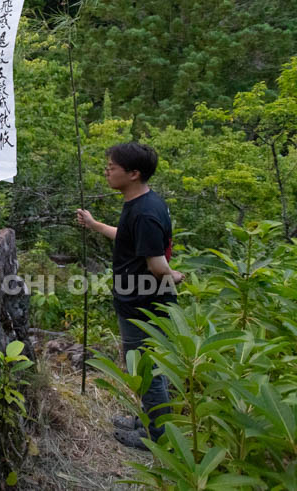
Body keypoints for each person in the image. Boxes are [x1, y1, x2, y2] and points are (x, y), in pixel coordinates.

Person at [76, 141, 184, 451]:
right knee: (147, 363)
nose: (107, 172)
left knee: (146, 366)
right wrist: (96, 225)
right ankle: (149, 420)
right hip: (139, 298)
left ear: (134, 173)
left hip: (143, 303)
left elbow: (158, 266)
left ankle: (157, 435)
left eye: (112, 168)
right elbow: (128, 238)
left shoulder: (146, 213)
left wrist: (174, 276)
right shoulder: (141, 204)